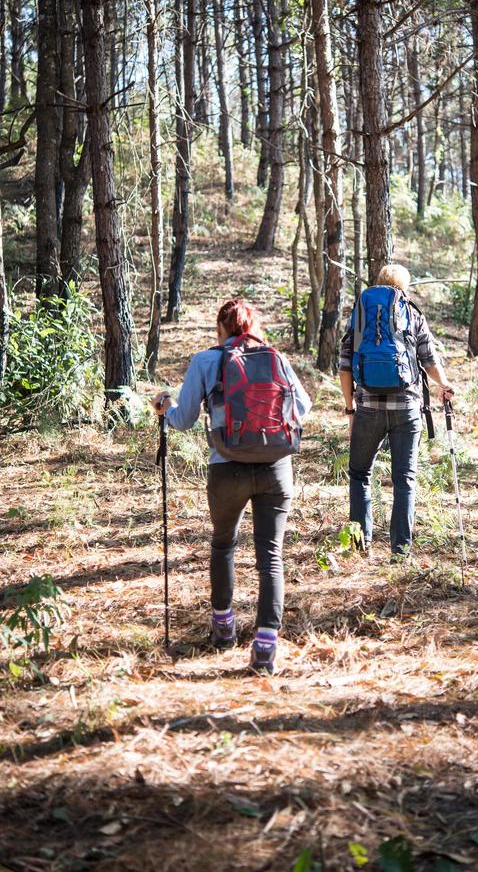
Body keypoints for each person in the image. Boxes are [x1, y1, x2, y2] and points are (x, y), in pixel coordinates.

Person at [153, 299, 311, 674]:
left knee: (224, 543)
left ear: (220, 328)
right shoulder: (275, 357)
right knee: (270, 556)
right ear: (254, 326)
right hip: (276, 468)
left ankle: (223, 627)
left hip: (227, 468)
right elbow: (303, 406)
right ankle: (265, 647)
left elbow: (185, 419)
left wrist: (165, 408)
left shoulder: (207, 361)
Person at [339, 264, 454, 562]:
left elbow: (345, 364)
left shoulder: (362, 313)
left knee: (360, 474)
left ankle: (359, 546)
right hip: (407, 408)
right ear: (404, 286)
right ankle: (400, 552)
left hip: (368, 408)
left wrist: (350, 409)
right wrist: (444, 385)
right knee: (404, 480)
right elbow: (428, 357)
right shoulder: (412, 313)